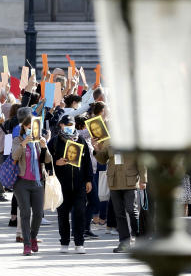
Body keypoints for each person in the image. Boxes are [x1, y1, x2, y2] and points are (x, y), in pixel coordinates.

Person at [93, 124, 147, 254]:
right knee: (119, 213)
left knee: (131, 209)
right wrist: (96, 149)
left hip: (130, 182)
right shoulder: (110, 142)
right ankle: (124, 241)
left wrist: (143, 180)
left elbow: (141, 162)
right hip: (114, 182)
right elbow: (102, 159)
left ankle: (138, 239)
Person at [11, 107, 53, 255]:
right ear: (23, 126)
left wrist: (44, 146)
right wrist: (23, 144)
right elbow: (14, 156)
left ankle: (33, 237)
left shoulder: (38, 142)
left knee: (38, 213)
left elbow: (48, 160)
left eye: (33, 126)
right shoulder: (18, 139)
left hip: (38, 182)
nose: (31, 129)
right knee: (25, 213)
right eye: (28, 126)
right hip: (22, 182)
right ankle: (27, 244)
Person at [50, 114, 93, 254]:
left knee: (80, 213)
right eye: (66, 125)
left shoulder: (80, 140)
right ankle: (64, 242)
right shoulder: (55, 141)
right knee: (62, 214)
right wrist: (56, 163)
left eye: (71, 125)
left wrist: (88, 180)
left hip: (79, 184)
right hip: (61, 185)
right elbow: (45, 161)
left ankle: (79, 243)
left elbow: (87, 163)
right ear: (61, 125)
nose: (69, 127)